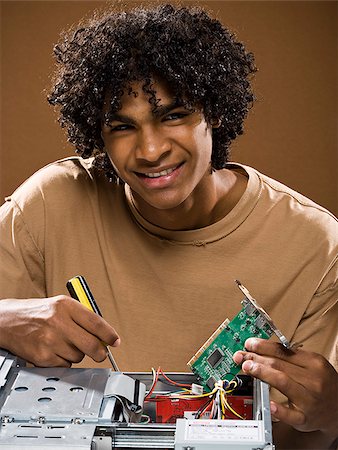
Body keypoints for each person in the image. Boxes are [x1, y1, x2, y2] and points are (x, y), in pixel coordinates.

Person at [0, 4, 337, 448]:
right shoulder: (49, 204)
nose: (151, 150)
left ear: (214, 112)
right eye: (122, 126)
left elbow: (306, 433)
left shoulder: (316, 245)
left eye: (173, 115)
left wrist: (336, 413)